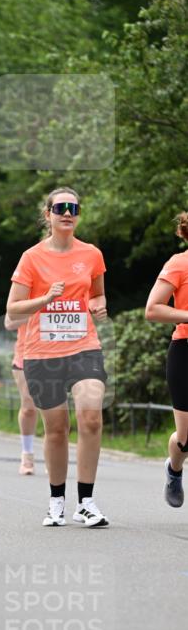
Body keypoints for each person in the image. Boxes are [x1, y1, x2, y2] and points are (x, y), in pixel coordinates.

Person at [6, 186, 109, 528]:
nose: (67, 212)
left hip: (83, 347)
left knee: (91, 417)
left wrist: (98, 307)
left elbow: (96, 296)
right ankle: (56, 501)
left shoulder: (92, 254)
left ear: (79, 215)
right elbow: (13, 309)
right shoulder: (31, 257)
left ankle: (87, 501)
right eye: (60, 207)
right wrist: (45, 300)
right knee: (57, 428)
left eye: (73, 208)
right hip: (42, 353)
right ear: (48, 214)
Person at [145, 211, 188, 507]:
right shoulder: (179, 263)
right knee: (186, 439)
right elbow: (153, 309)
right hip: (185, 349)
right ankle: (174, 469)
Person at [3, 318, 38, 474]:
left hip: (57, 358)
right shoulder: (24, 294)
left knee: (53, 409)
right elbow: (9, 323)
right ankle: (27, 454)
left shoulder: (63, 294)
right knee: (29, 407)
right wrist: (35, 310)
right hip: (26, 357)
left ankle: (54, 455)